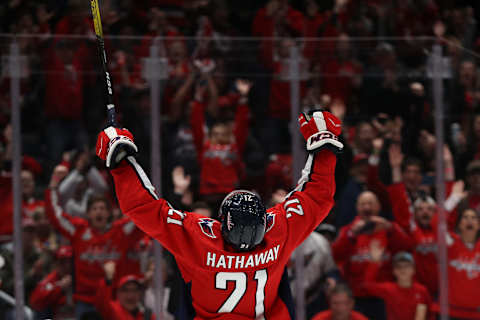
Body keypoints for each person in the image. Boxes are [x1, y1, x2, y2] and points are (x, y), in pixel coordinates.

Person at [95, 110, 343, 318]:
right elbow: (317, 196)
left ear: (221, 223)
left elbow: (144, 208)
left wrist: (120, 161)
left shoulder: (199, 238)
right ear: (264, 222)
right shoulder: (278, 233)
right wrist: (324, 146)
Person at [45, 172, 145, 319]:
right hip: (84, 300)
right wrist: (53, 184)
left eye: (103, 209)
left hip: (113, 300)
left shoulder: (121, 231)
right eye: (95, 209)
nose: (99, 212)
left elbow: (141, 215)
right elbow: (56, 216)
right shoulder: (78, 231)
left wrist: (141, 188)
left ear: (109, 214)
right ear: (88, 214)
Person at [332, 191, 413, 319]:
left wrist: (391, 229)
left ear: (379, 206)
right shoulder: (348, 231)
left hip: (383, 297)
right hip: (356, 297)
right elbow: (336, 255)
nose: (367, 208)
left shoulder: (388, 229)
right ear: (357, 207)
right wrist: (351, 235)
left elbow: (407, 248)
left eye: (371, 203)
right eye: (363, 204)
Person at [362, 250, 431, 320]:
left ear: (413, 269)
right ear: (394, 271)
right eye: (399, 267)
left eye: (407, 266)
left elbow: (426, 314)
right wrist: (374, 262)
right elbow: (367, 285)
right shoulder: (389, 289)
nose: (403, 269)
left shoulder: (421, 290)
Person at [29, 246, 74, 319]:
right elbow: (35, 302)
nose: (67, 266)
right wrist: (59, 289)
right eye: (62, 262)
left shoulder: (81, 278)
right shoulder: (51, 279)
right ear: (56, 263)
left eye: (69, 262)